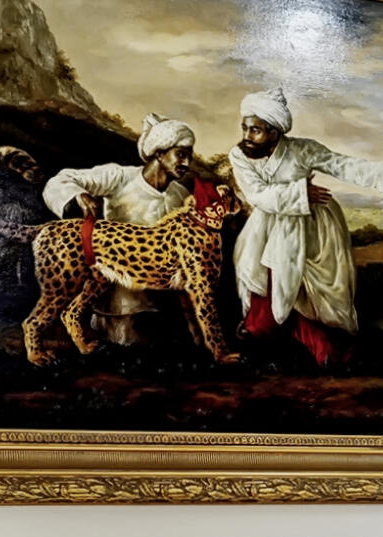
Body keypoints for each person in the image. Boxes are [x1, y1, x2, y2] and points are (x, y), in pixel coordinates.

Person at [226, 87, 383, 367]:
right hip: (267, 226)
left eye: (255, 130)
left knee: (298, 289)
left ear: (274, 133)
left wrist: (379, 172)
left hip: (309, 226)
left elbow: (338, 164)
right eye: (245, 128)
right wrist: (299, 193)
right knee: (266, 282)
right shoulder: (239, 156)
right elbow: (256, 194)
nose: (247, 136)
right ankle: (298, 344)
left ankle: (321, 348)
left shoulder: (301, 149)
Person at [41, 116, 241, 357]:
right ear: (159, 153)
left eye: (189, 155)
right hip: (120, 302)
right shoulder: (119, 176)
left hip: (163, 307)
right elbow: (61, 180)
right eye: (180, 154)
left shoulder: (181, 195)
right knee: (131, 348)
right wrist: (77, 195)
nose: (187, 163)